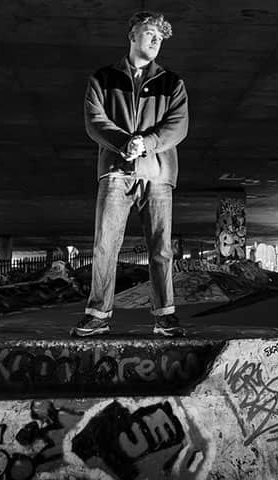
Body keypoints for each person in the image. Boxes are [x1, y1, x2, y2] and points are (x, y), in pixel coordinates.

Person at [71, 11, 189, 337]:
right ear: (133, 34)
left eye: (160, 38)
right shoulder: (103, 78)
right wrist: (125, 142)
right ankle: (98, 315)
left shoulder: (172, 83)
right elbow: (94, 120)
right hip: (115, 172)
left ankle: (165, 315)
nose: (154, 41)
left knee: (161, 248)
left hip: (157, 174)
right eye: (150, 34)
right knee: (105, 246)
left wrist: (146, 143)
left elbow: (177, 126)